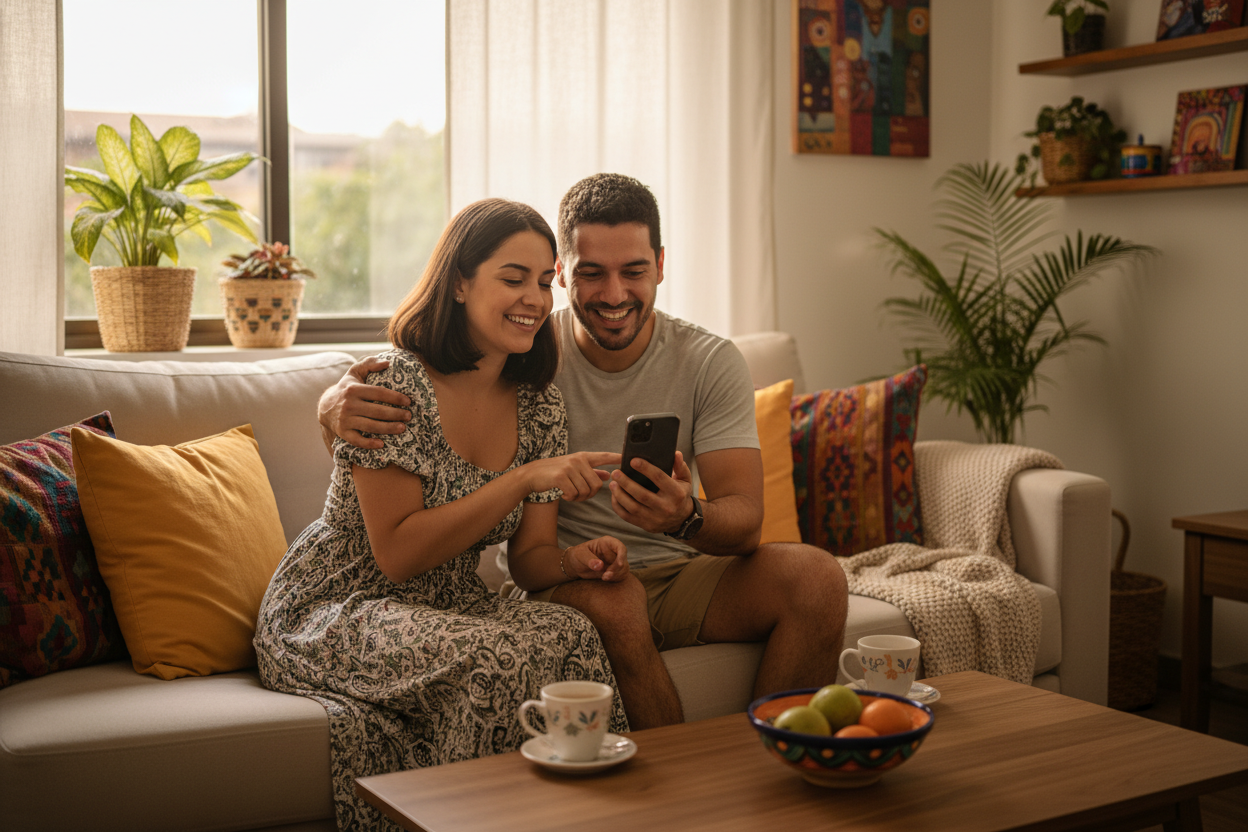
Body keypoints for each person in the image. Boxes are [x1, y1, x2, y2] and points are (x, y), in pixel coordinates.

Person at [321, 174, 849, 729]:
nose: (615, 294)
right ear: (568, 275)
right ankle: (682, 789)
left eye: (635, 271)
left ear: (661, 265)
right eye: (591, 273)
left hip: (683, 572)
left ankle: (772, 773)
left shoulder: (704, 361)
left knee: (817, 577)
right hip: (572, 586)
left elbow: (745, 525)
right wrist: (329, 406)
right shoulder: (527, 355)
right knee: (617, 603)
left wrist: (685, 515)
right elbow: (398, 452)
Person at [254, 198, 630, 832]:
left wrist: (576, 561)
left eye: (544, 282)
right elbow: (397, 555)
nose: (534, 299)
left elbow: (532, 564)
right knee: (495, 656)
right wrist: (519, 481)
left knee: (571, 633)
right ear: (459, 282)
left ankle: (596, 819)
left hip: (449, 604)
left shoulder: (540, 405)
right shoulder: (394, 386)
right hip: (336, 605)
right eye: (513, 278)